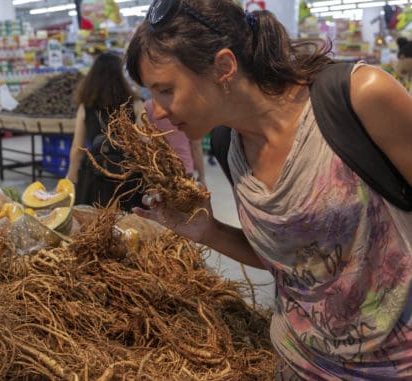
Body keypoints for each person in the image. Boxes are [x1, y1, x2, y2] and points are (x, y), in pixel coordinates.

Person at [125, 0, 412, 379]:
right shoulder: (229, 146)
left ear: (223, 67)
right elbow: (295, 265)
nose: (157, 111)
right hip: (297, 364)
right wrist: (208, 232)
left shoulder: (358, 96)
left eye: (165, 90)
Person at [66, 52, 144, 211]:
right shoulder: (135, 103)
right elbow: (145, 141)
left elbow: (77, 149)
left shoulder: (86, 107)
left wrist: (71, 178)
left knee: (94, 227)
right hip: (128, 179)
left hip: (95, 178)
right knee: (131, 228)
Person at [144, 99, 206, 186]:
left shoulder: (148, 106)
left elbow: (145, 139)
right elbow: (196, 146)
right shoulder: (188, 107)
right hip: (184, 167)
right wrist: (202, 176)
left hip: (159, 168)